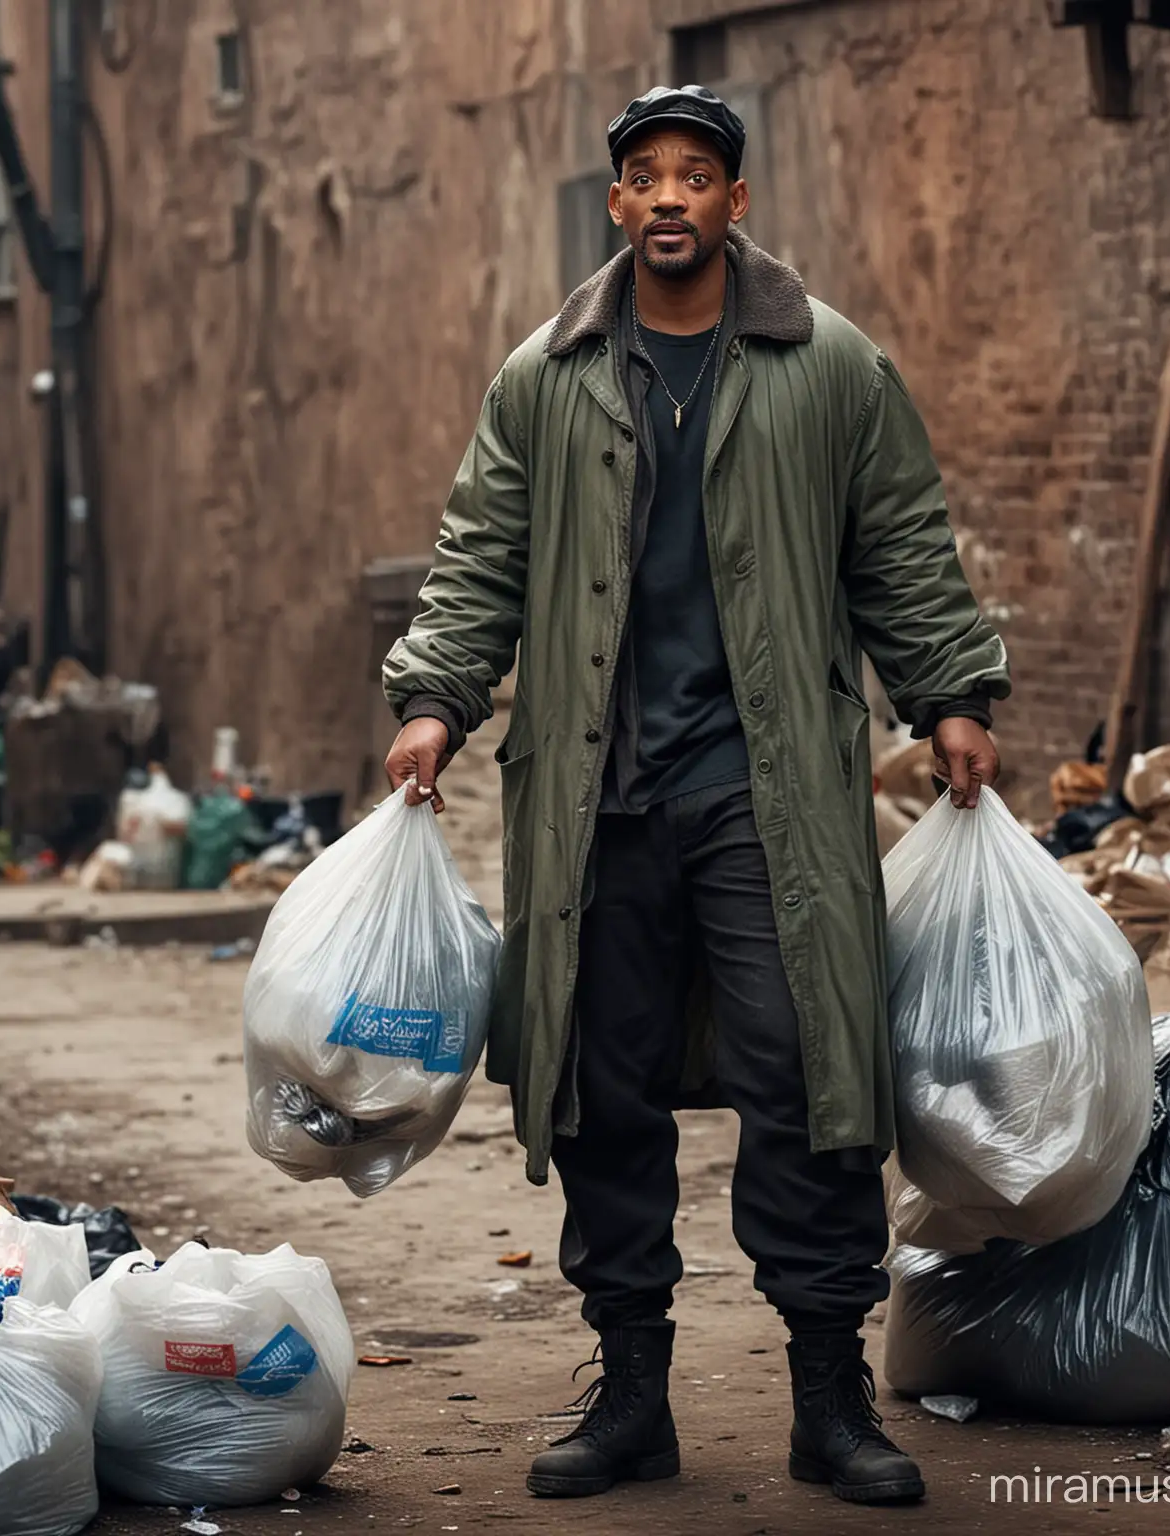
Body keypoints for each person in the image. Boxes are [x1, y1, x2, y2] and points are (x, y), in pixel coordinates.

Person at [382, 84, 1009, 1507]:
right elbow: (481, 551)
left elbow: (900, 541)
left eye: (697, 176)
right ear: (617, 207)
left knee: (809, 1077)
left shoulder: (828, 364)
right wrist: (434, 701)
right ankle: (633, 1390)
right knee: (603, 1093)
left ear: (736, 204)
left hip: (767, 785)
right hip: (593, 794)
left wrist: (951, 692)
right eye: (645, 178)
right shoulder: (546, 374)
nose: (670, 197)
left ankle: (829, 1394)